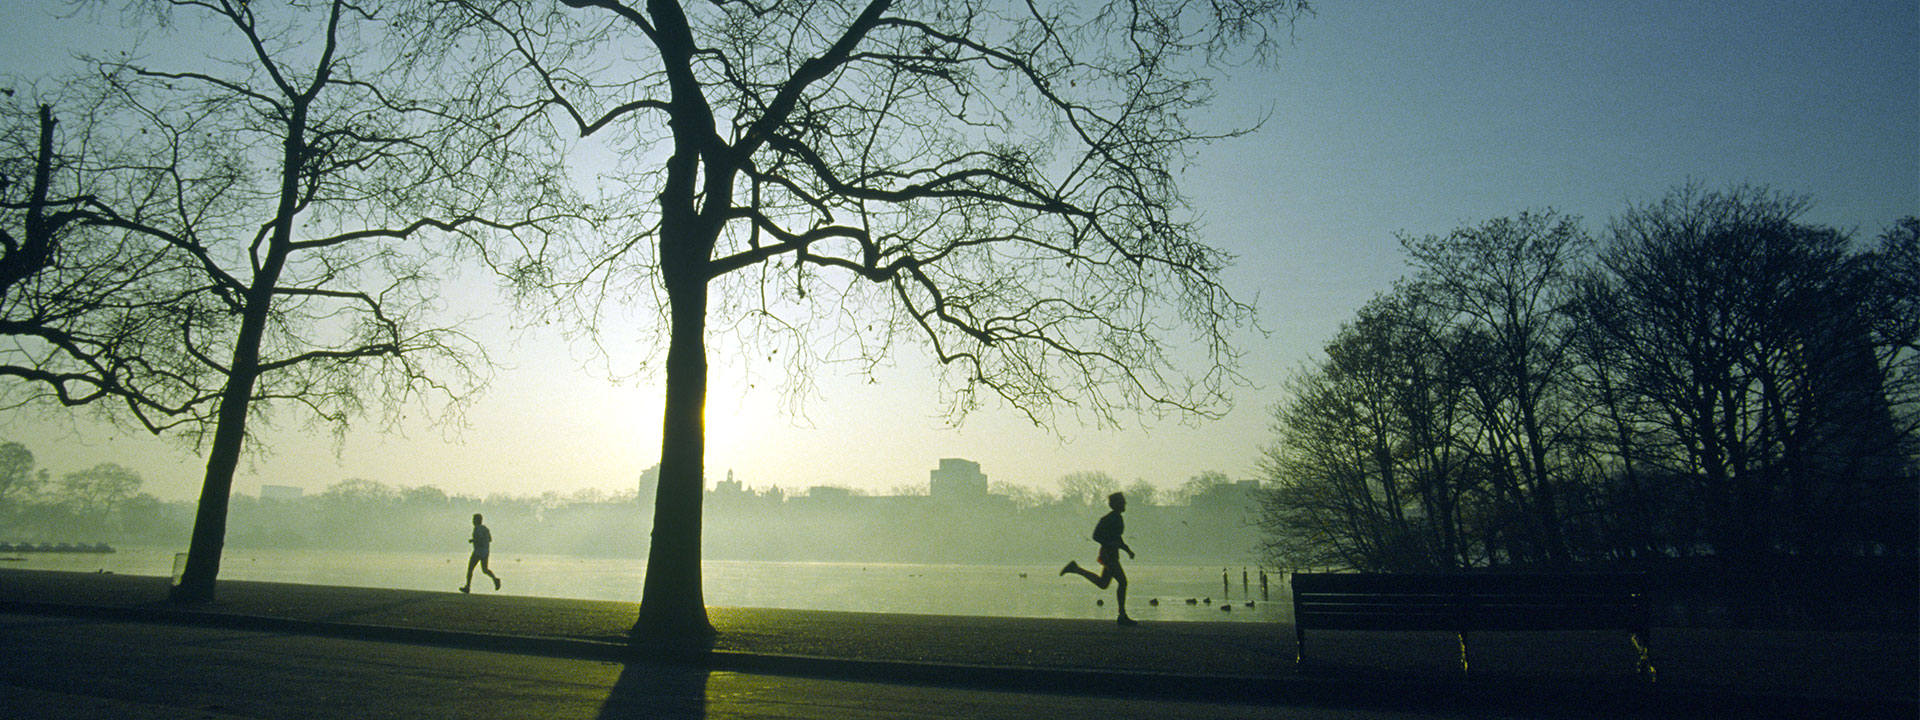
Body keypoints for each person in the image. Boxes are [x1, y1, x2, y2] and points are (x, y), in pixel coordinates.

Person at [1061, 492, 1137, 625]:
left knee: (1103, 583)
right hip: (1108, 554)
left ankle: (1075, 568)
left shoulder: (1117, 518)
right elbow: (1096, 536)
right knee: (1123, 582)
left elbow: (1117, 538)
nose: (1125, 504)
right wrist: (1111, 544)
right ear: (1116, 504)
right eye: (1123, 501)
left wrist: (1127, 550)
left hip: (1111, 554)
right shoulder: (1110, 518)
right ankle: (1122, 615)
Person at [460, 513, 501, 594]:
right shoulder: (485, 529)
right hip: (485, 552)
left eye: (473, 520)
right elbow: (490, 539)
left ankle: (467, 586)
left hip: (478, 551)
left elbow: (479, 539)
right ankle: (495, 579)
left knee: (470, 569)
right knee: (485, 570)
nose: (472, 521)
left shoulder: (477, 528)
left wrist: (473, 540)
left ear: (477, 520)